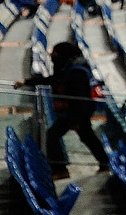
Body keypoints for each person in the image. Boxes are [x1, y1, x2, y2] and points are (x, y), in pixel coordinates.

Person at [17, 40, 106, 177]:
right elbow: (54, 80)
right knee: (87, 137)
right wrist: (26, 82)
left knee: (53, 135)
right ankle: (105, 163)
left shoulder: (77, 73)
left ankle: (60, 170)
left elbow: (80, 99)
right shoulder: (67, 69)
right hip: (76, 113)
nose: (51, 56)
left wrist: (75, 119)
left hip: (77, 113)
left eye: (54, 54)